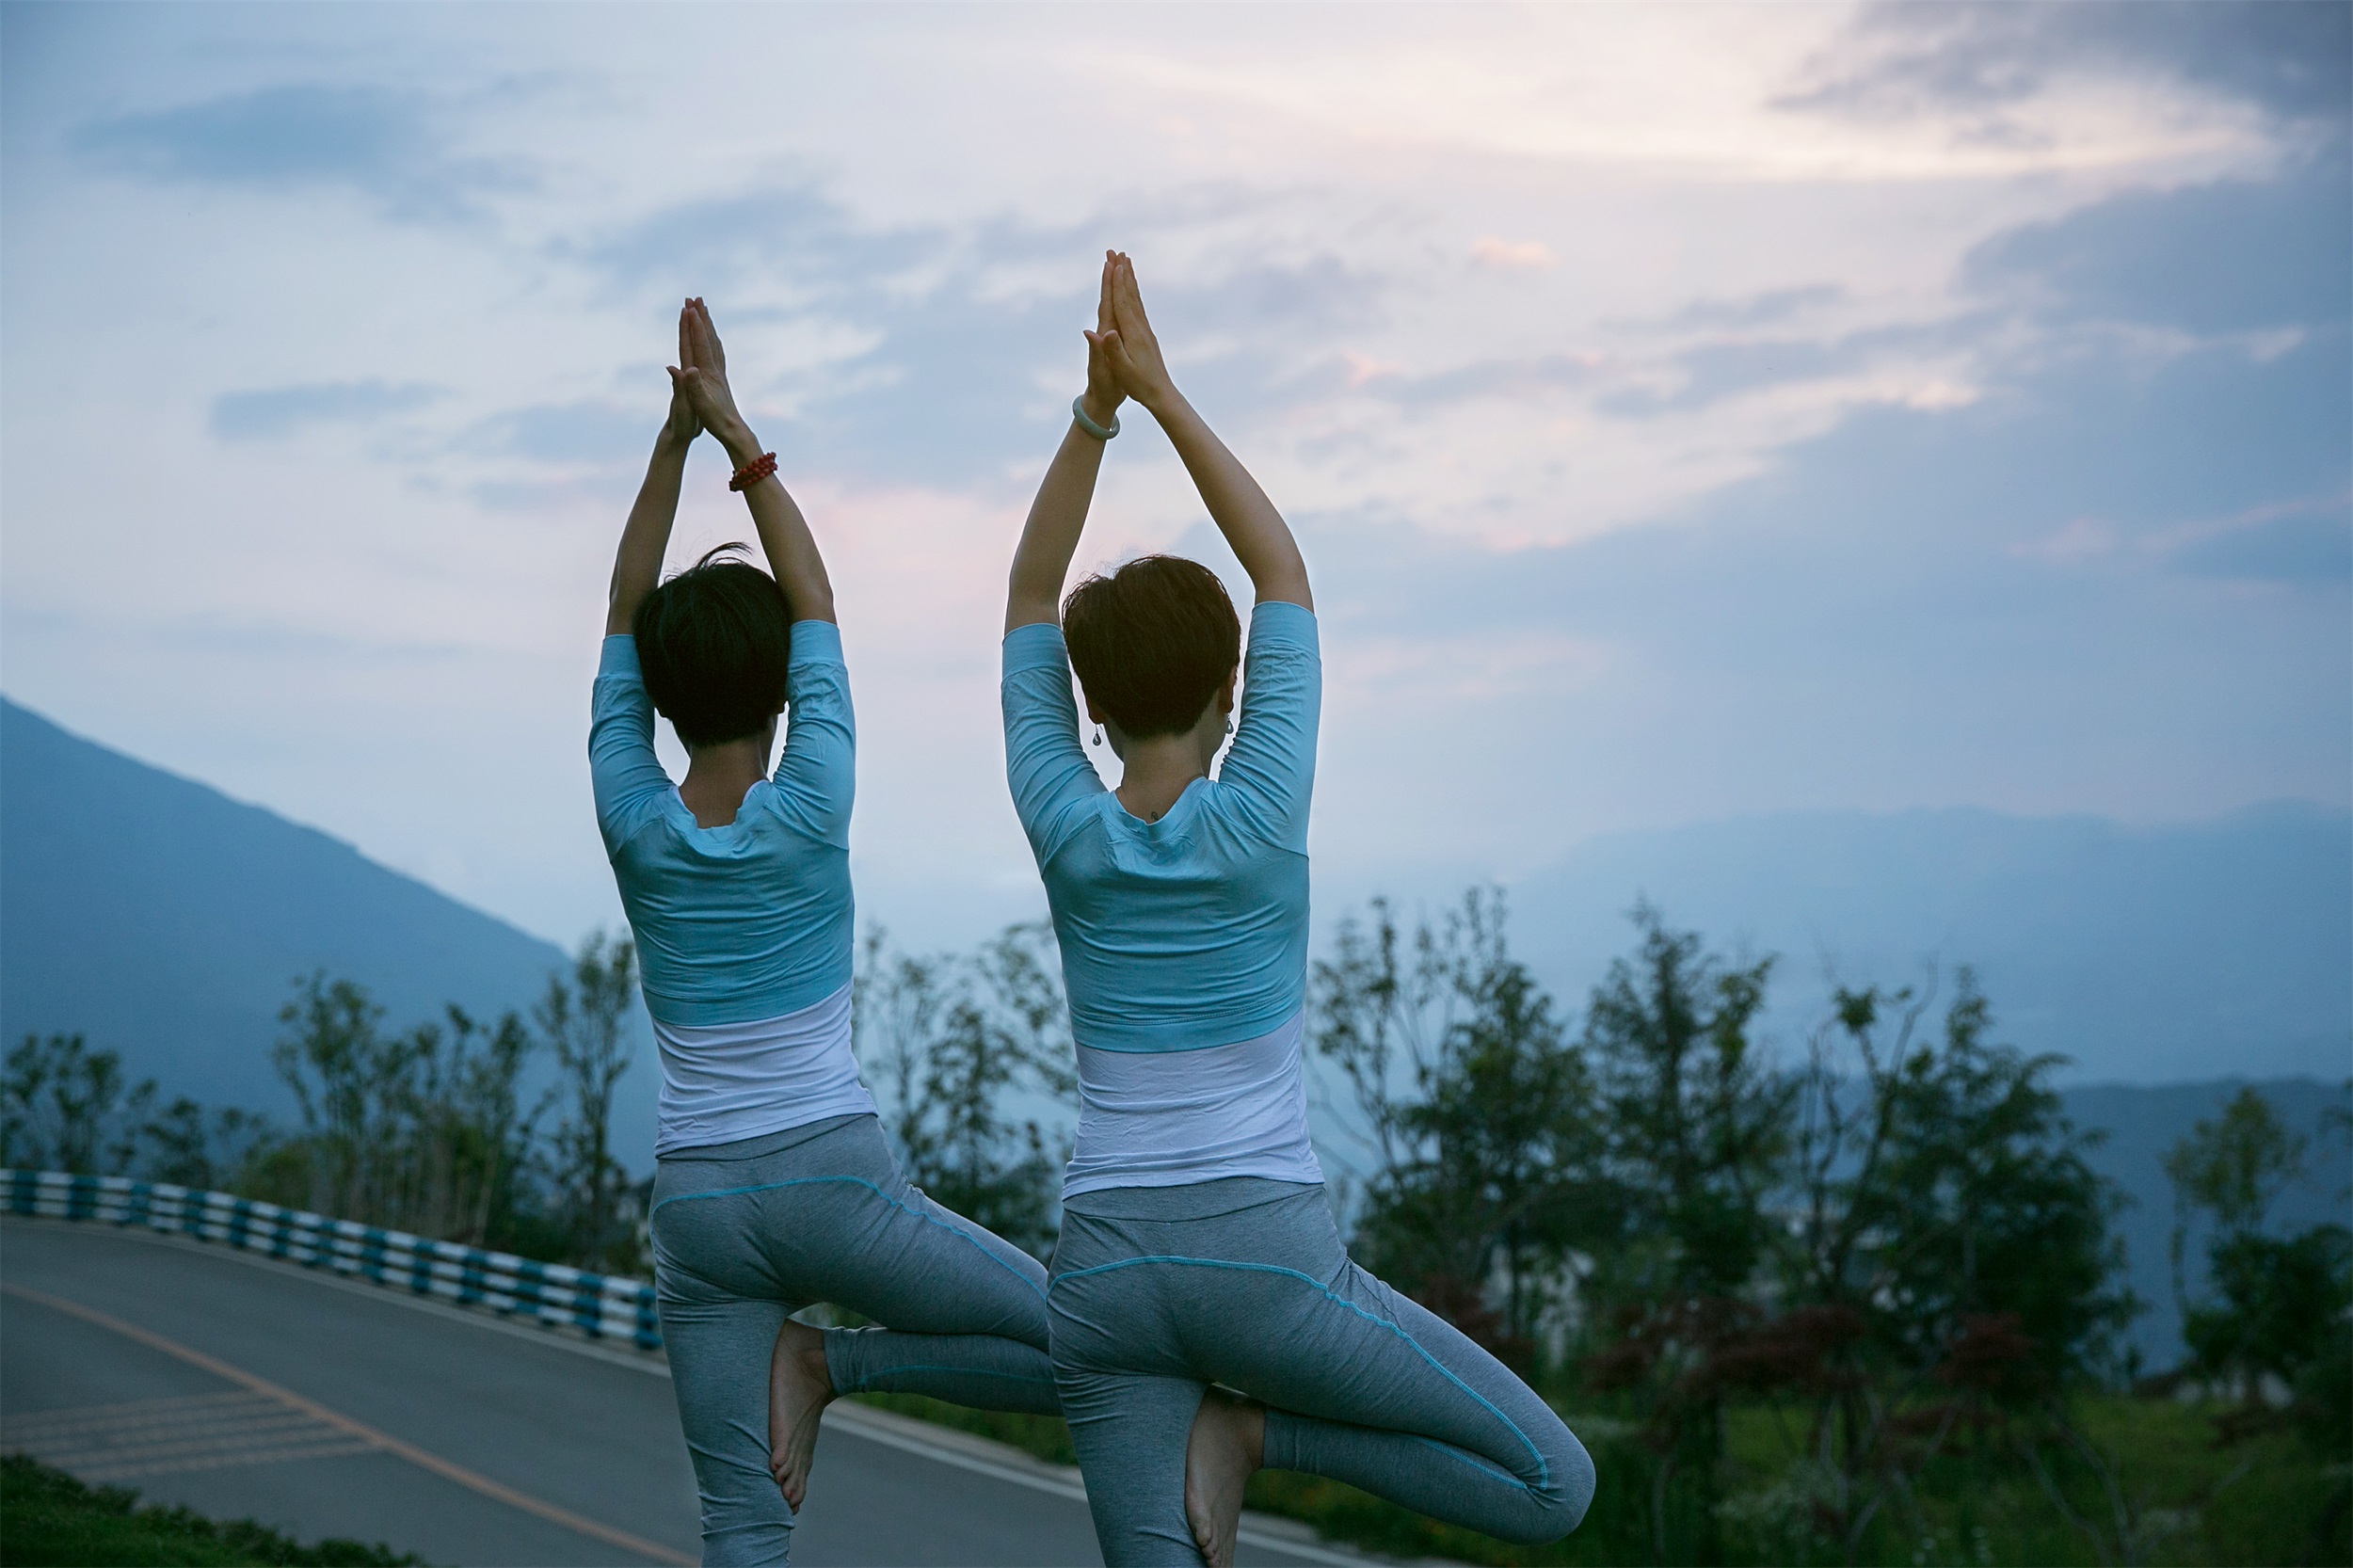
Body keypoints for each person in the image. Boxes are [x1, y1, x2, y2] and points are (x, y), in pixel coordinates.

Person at [1000, 254, 1596, 1567]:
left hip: (1098, 1280)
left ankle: (1234, 1437)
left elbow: (1030, 599)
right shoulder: (1259, 810)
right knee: (1556, 1480)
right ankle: (1262, 1439)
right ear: (1233, 689)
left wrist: (1093, 418)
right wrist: (1157, 392)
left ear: (1087, 707)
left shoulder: (1063, 817)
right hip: (1267, 1270)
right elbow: (1283, 571)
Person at [598, 299, 1060, 1565]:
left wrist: (668, 445)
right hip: (835, 1189)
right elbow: (817, 602)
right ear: (783, 691)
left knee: (739, 1523)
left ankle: (816, 1362)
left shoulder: (632, 816)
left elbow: (621, 608)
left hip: (698, 1207)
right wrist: (727, 430)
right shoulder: (813, 800)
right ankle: (839, 1362)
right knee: (1088, 1330)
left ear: (653, 694)